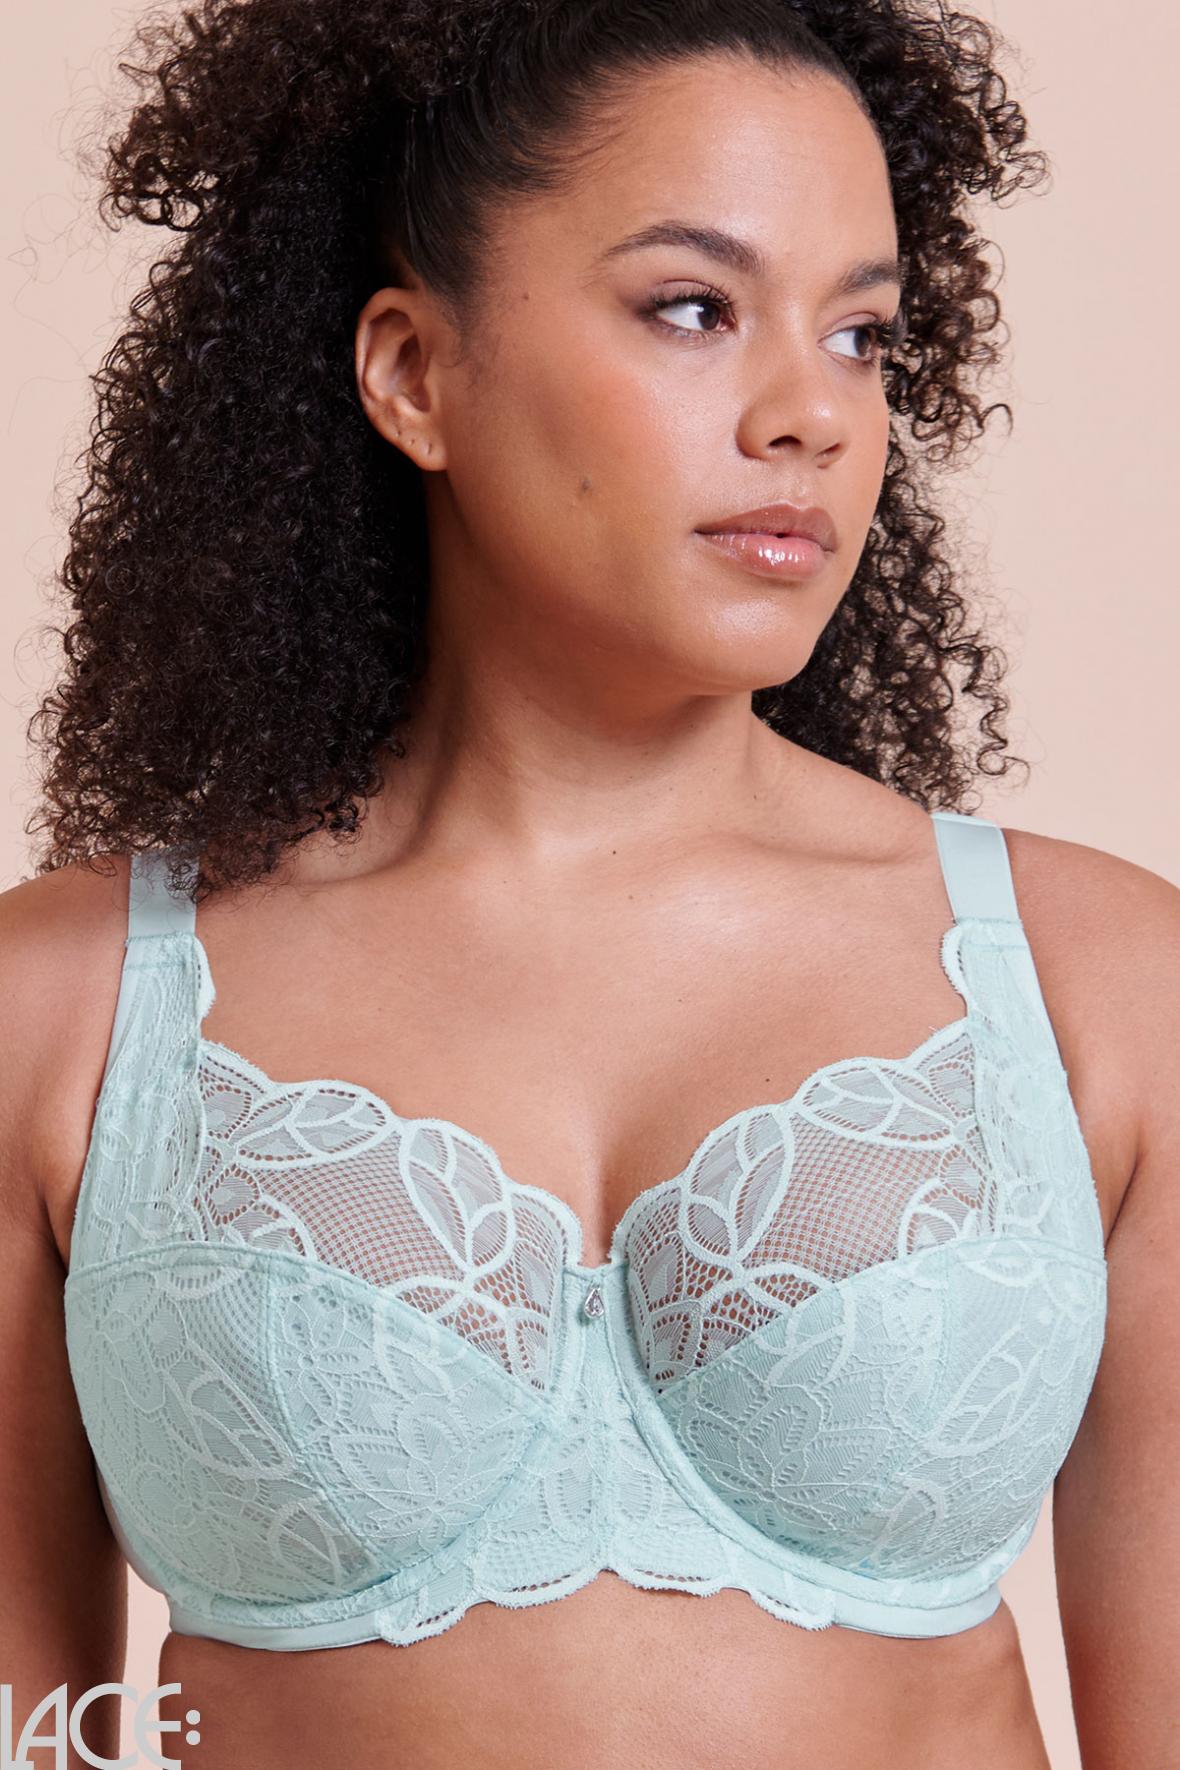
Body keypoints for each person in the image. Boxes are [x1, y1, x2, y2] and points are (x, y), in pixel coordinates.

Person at [1, 0, 1175, 1765]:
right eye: (693, 307)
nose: (813, 414)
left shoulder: (1103, 982)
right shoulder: (68, 1005)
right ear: (413, 373)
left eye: (863, 334)